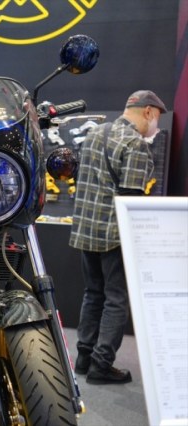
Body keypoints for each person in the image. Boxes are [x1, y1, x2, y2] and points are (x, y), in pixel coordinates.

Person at [70, 90, 166, 385]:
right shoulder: (135, 143)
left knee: (93, 293)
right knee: (116, 299)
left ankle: (84, 358)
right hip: (114, 235)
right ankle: (101, 365)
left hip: (85, 229)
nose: (155, 125)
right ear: (148, 112)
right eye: (156, 118)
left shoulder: (95, 133)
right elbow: (130, 200)